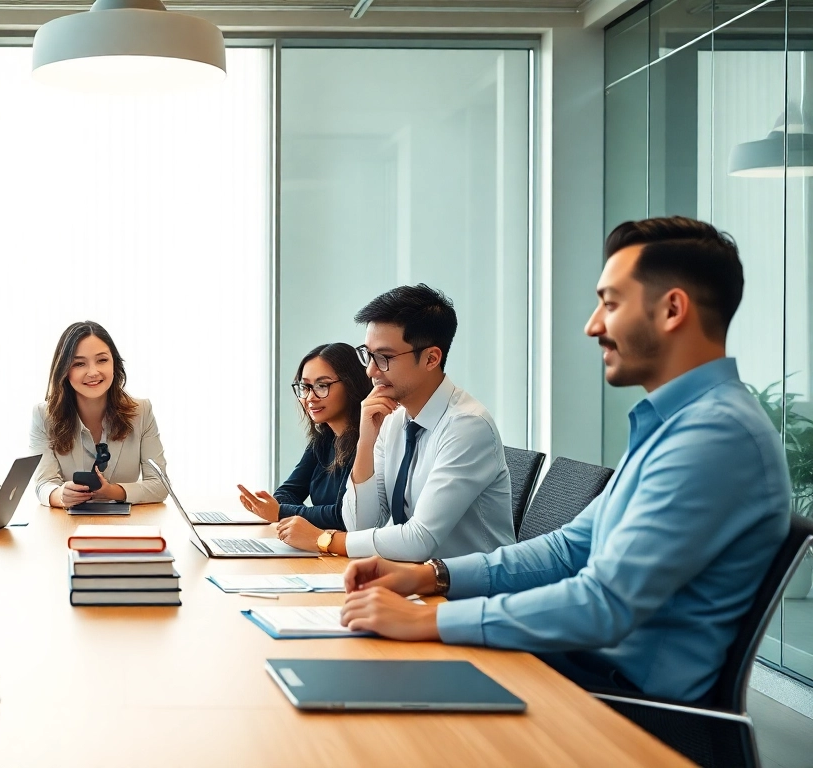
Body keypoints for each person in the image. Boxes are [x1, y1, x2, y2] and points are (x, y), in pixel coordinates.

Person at [339, 217, 792, 703]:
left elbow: (604, 603)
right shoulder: (676, 423)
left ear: (672, 310)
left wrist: (430, 618)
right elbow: (569, 549)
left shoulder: (714, 436)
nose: (593, 325)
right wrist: (432, 576)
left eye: (610, 304)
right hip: (579, 666)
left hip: (619, 701)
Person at [296, 285, 515, 558]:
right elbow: (360, 524)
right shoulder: (392, 420)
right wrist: (366, 441)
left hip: (468, 581)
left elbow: (419, 539)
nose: (370, 370)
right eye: (369, 355)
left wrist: (323, 540)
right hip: (410, 576)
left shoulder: (467, 426)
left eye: (384, 358)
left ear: (431, 358)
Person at [29, 321, 167, 508]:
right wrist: (61, 495)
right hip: (67, 522)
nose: (93, 372)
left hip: (128, 522)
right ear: (64, 370)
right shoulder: (44, 416)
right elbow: (43, 484)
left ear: (114, 363)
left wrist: (112, 491)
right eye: (79, 364)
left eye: (102, 360)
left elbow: (160, 485)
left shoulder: (141, 411)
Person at [236, 342, 368, 531]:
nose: (310, 397)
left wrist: (282, 512)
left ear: (351, 384)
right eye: (305, 386)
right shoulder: (323, 440)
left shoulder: (368, 442)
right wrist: (290, 514)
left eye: (322, 385)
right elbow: (285, 494)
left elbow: (343, 515)